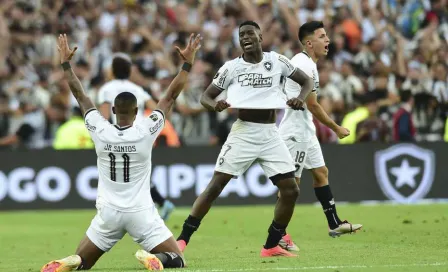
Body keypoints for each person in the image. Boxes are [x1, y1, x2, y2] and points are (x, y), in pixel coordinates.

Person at [40, 33, 202, 272]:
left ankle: (72, 260)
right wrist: (187, 64)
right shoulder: (146, 130)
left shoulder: (100, 129)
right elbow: (169, 97)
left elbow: (80, 95)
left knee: (83, 263)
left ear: (113, 109)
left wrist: (65, 63)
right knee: (177, 258)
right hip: (141, 213)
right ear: (137, 111)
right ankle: (157, 260)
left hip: (109, 213)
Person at [176, 21, 315, 258]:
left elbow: (307, 82)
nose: (245, 37)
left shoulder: (278, 61)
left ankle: (272, 244)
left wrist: (301, 99)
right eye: (241, 35)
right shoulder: (231, 68)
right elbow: (205, 97)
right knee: (215, 187)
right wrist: (216, 105)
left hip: (271, 133)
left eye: (249, 33)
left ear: (260, 35)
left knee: (290, 190)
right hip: (244, 132)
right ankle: (181, 240)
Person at [278, 21, 362, 252]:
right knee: (291, 187)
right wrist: (336, 128)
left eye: (327, 36)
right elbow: (313, 105)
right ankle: (279, 234)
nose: (328, 41)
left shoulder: (307, 63)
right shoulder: (303, 64)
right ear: (309, 42)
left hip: (305, 129)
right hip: (295, 132)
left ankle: (334, 224)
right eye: (322, 36)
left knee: (321, 173)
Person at [98, 51, 175, 221]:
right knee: (138, 174)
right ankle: (160, 204)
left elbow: (103, 116)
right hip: (142, 137)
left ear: (112, 71)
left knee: (127, 175)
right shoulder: (137, 89)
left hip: (119, 138)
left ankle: (149, 209)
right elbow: (157, 110)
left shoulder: (107, 89)